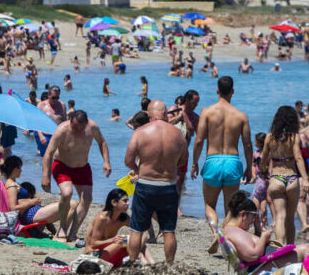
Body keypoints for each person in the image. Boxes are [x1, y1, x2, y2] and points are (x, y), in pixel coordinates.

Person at [192, 75, 253, 253]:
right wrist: (250, 167)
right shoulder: (241, 116)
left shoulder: (207, 112)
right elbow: (248, 145)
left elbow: (199, 141)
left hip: (213, 160)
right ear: (233, 91)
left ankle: (214, 232)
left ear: (217, 90)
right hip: (233, 162)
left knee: (210, 204)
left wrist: (195, 163)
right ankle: (225, 235)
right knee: (230, 207)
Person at [124, 100, 187, 264]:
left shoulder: (140, 132)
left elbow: (128, 160)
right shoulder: (177, 133)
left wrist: (138, 170)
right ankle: (169, 265)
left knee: (137, 229)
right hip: (168, 186)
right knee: (168, 230)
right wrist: (169, 166)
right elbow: (183, 161)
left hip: (146, 184)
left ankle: (132, 263)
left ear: (148, 114)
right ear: (165, 113)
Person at [41, 110, 111, 244]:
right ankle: (62, 227)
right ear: (70, 120)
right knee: (67, 193)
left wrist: (106, 161)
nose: (77, 130)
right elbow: (48, 153)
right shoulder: (62, 129)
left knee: (87, 199)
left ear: (86, 123)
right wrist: (45, 176)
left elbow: (102, 142)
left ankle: (73, 233)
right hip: (62, 166)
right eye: (75, 126)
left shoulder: (93, 127)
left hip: (82, 167)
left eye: (81, 127)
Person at [223, 191, 309, 274]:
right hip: (268, 264)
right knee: (306, 250)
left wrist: (258, 231)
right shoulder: (235, 233)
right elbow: (252, 255)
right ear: (243, 215)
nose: (253, 221)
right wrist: (264, 238)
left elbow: (251, 248)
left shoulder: (233, 231)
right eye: (253, 216)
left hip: (268, 262)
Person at [261, 105, 309, 246]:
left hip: (276, 179)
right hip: (292, 179)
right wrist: (305, 179)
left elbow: (263, 159)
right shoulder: (294, 137)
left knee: (280, 217)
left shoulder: (269, 137)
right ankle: (290, 248)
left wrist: (263, 171)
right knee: (290, 219)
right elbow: (298, 158)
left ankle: (279, 246)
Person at [85, 188, 154, 267]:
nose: (128, 203)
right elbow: (93, 244)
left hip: (111, 251)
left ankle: (152, 264)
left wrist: (137, 245)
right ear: (114, 202)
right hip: (94, 255)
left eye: (128, 200)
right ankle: (144, 263)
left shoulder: (123, 218)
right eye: (125, 201)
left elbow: (142, 233)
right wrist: (111, 240)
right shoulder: (102, 218)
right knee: (127, 240)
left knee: (135, 241)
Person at [0, 155, 68, 231]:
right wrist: (32, 202)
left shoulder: (12, 183)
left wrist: (32, 202)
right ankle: (60, 233)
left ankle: (57, 232)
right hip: (29, 216)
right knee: (66, 206)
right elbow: (13, 208)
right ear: (15, 169)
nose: (21, 171)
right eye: (20, 168)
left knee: (65, 206)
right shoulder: (11, 186)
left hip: (31, 213)